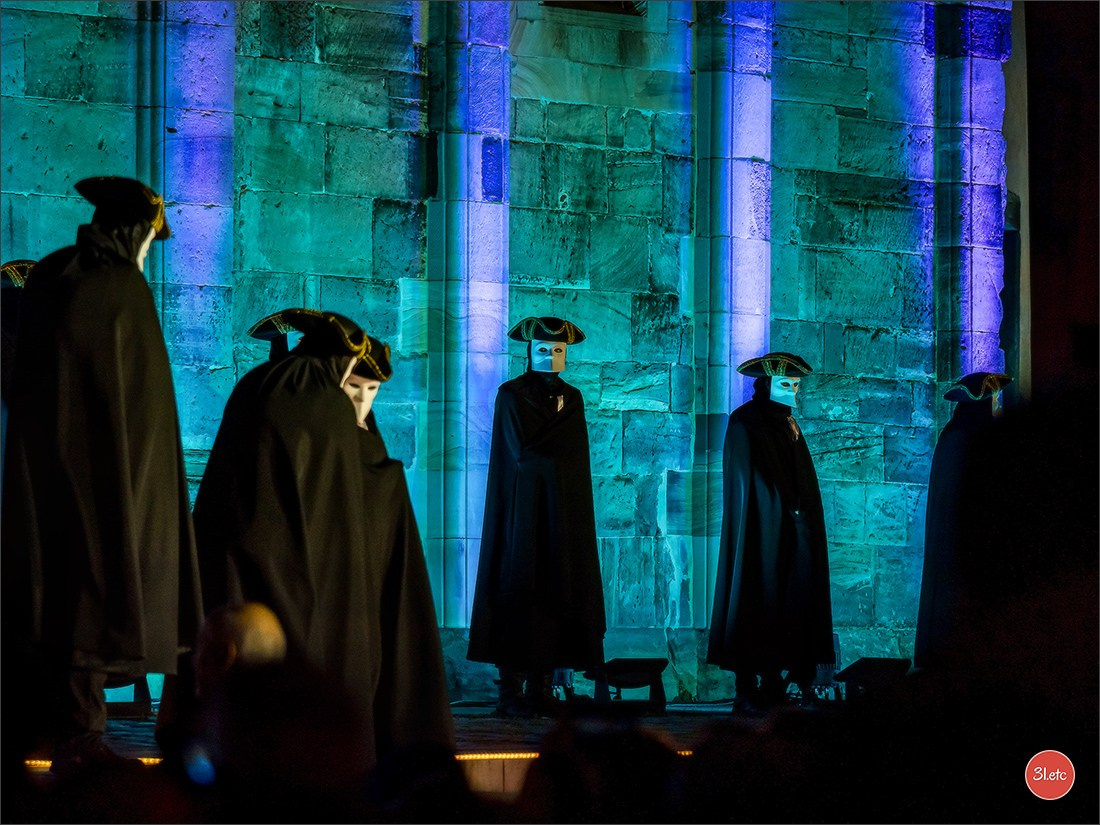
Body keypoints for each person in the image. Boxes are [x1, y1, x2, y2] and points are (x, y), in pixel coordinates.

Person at [0, 177, 203, 779]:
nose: (146, 252)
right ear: (135, 232)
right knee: (91, 591)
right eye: (148, 239)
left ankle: (65, 724)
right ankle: (80, 733)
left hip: (52, 469)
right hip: (102, 476)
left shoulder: (59, 277)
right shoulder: (117, 286)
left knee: (60, 587)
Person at [193, 308, 454, 768]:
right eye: (353, 387)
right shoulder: (306, 412)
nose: (360, 404)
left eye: (371, 392)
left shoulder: (362, 448)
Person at [467, 316, 606, 717]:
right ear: (529, 352)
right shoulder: (511, 394)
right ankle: (511, 689)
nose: (551, 357)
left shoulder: (573, 397)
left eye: (558, 350)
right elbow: (520, 455)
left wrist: (564, 483)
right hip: (522, 512)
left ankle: (542, 687)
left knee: (557, 588)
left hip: (561, 512)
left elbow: (575, 456)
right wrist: (554, 467)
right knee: (519, 587)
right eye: (543, 350)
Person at [706, 352, 834, 712]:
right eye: (785, 384)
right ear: (766, 384)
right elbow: (749, 479)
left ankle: (776, 683)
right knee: (753, 598)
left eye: (795, 386)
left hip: (792, 531)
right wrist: (777, 511)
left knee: (787, 603)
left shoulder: (788, 423)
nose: (792, 391)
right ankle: (746, 687)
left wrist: (801, 518)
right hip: (759, 531)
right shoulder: (745, 421)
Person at [913, 371, 1011, 671]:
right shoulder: (959, 438)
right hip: (959, 548)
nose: (999, 406)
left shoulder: (973, 438)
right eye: (995, 399)